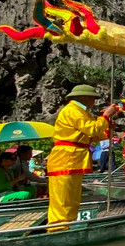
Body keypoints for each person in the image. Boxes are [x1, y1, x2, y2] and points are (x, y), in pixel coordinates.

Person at [47, 84, 119, 228]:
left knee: (73, 198)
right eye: (92, 98)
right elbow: (92, 129)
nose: (94, 101)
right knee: (63, 198)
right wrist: (105, 116)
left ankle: (67, 225)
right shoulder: (72, 110)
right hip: (65, 158)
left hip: (75, 158)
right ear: (83, 97)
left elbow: (93, 135)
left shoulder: (82, 112)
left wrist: (107, 128)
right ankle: (57, 227)